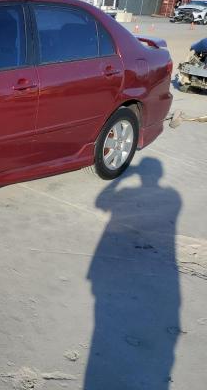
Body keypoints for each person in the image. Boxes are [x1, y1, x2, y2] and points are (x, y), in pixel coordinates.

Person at [85, 158, 181, 390]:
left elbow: (101, 202)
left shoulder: (138, 193)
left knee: (104, 324)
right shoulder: (174, 197)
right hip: (160, 271)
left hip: (114, 267)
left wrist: (124, 177)